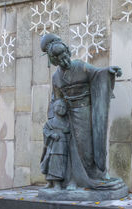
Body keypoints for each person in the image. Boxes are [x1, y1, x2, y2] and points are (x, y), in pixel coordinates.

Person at [40, 33, 125, 191]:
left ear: (68, 52)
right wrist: (55, 120)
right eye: (59, 58)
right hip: (69, 115)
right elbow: (56, 99)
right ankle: (74, 179)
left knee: (89, 145)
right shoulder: (56, 77)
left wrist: (109, 71)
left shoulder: (80, 66)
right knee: (73, 147)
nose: (64, 59)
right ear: (54, 60)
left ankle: (98, 174)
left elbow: (97, 74)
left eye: (65, 55)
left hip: (86, 110)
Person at [40, 99, 71, 190]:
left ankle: (58, 183)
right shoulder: (50, 123)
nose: (62, 108)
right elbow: (45, 130)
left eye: (64, 107)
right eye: (59, 106)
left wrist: (67, 131)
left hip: (63, 147)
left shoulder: (67, 123)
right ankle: (51, 182)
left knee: (60, 163)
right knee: (51, 162)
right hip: (53, 146)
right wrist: (52, 135)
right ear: (54, 108)